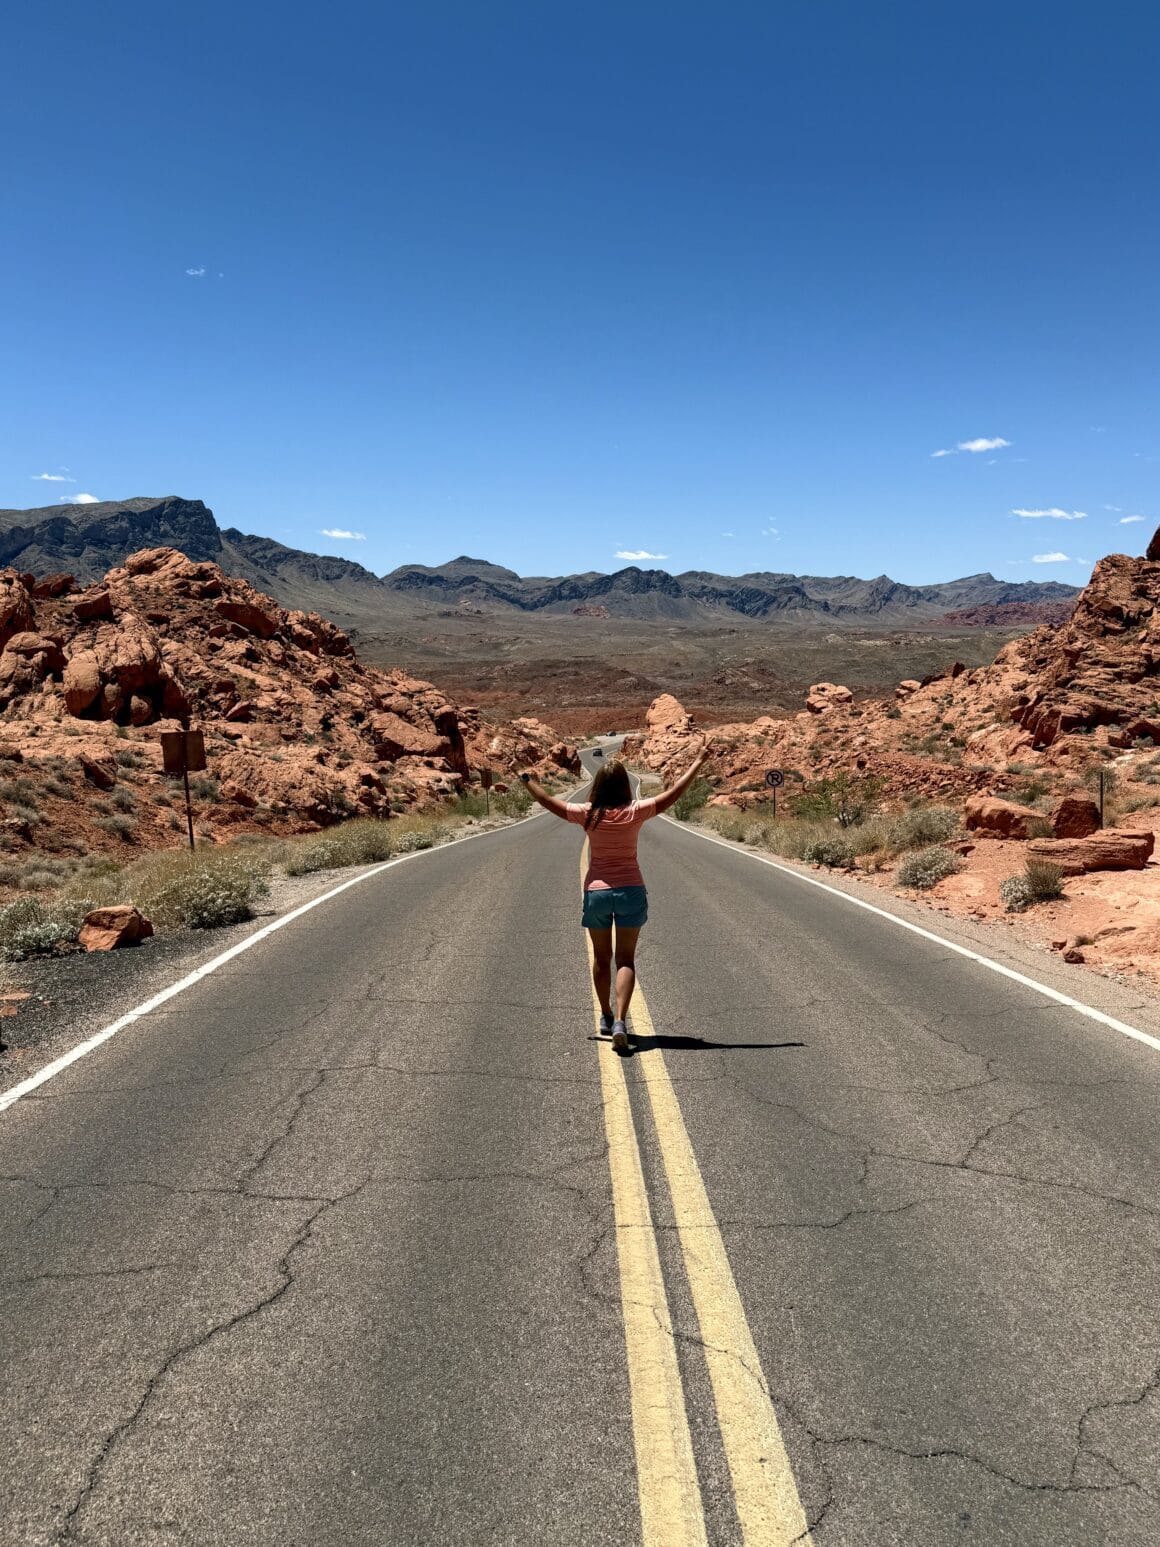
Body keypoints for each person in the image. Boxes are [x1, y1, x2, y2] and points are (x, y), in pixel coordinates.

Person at [519, 746, 709, 1051]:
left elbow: (549, 802)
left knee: (601, 957)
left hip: (597, 893)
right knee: (625, 959)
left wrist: (527, 780)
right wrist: (698, 762)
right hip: (631, 890)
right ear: (624, 786)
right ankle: (621, 1020)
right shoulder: (635, 811)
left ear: (598, 786)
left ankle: (606, 1016)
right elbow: (673, 794)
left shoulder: (587, 814)